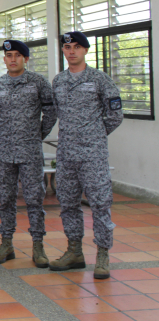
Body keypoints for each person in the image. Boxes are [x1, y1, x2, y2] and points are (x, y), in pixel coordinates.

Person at [49, 31, 123, 279]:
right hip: (67, 154)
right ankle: (74, 252)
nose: (71, 51)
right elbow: (59, 113)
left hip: (93, 154)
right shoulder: (58, 81)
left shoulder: (100, 79)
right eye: (67, 47)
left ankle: (102, 255)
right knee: (68, 204)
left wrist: (94, 136)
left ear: (86, 50)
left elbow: (115, 115)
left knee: (100, 204)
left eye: (77, 47)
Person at [0, 40, 57, 267]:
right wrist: (9, 134)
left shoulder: (38, 82)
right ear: (5, 59)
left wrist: (36, 135)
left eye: (18, 55)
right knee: (5, 200)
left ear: (25, 58)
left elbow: (50, 112)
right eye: (9, 55)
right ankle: (6, 244)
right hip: (6, 151)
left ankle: (38, 247)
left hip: (30, 151)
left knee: (34, 200)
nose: (13, 59)